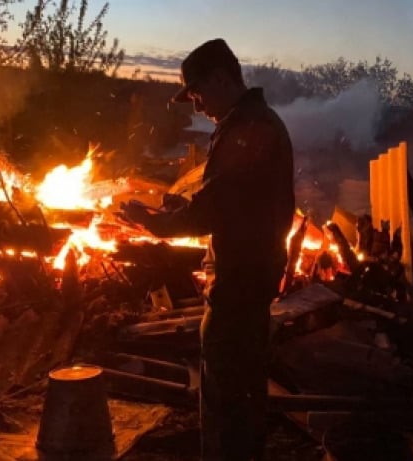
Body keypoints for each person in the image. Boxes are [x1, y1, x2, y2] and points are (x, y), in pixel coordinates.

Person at [120, 38, 294, 461]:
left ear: (220, 79)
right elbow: (231, 203)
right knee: (242, 389)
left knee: (227, 395)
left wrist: (154, 223)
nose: (196, 107)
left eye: (197, 94)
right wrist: (183, 206)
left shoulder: (247, 129)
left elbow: (216, 209)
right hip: (249, 277)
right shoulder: (248, 122)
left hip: (240, 283)